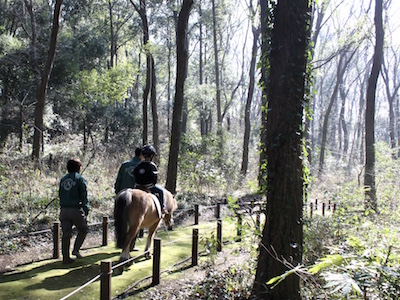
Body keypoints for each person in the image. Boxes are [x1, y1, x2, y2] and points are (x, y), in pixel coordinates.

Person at [59, 158, 90, 264]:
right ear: (78, 168)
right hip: (75, 209)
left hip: (64, 210)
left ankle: (65, 257)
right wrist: (86, 209)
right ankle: (76, 249)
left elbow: (60, 194)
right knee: (83, 229)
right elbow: (84, 195)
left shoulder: (63, 179)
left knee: (66, 234)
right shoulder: (80, 179)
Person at [134, 144, 168, 214]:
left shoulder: (138, 165)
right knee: (161, 191)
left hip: (137, 186)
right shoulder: (152, 166)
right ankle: (162, 208)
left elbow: (134, 175)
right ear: (152, 155)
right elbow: (154, 180)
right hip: (149, 186)